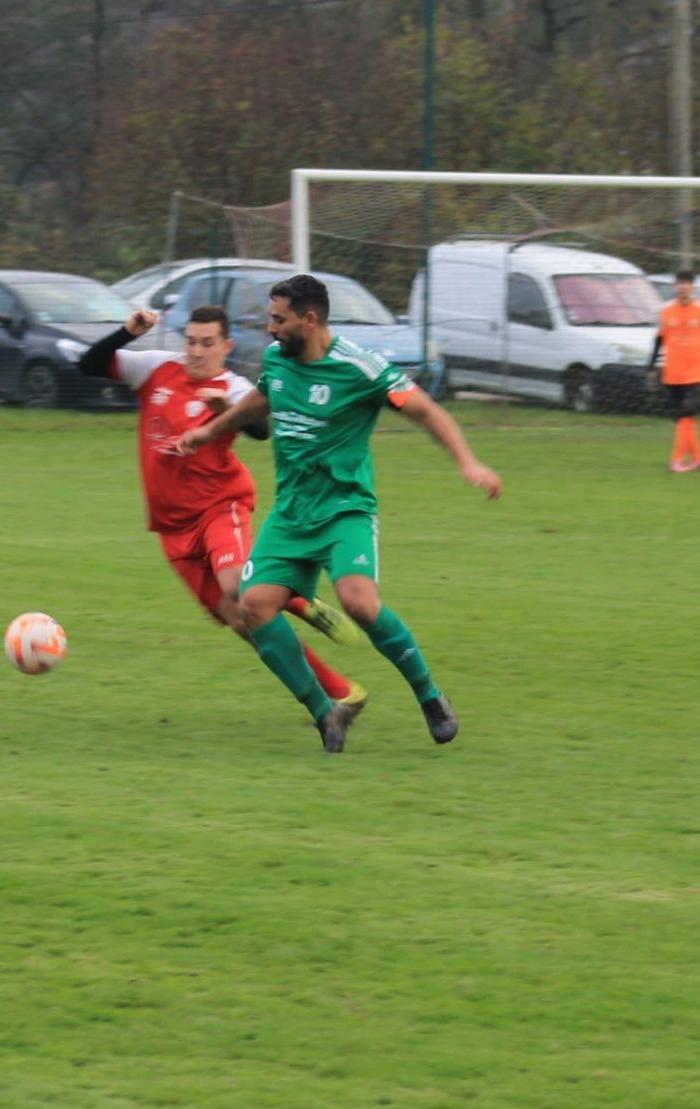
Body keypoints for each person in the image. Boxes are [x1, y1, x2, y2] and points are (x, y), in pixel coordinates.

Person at [177, 274, 502, 753]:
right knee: (253, 606)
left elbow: (426, 411)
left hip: (344, 508)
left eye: (278, 319)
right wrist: (211, 432)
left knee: (359, 603)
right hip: (290, 514)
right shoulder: (276, 360)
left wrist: (467, 461)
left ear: (310, 320)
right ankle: (325, 711)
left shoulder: (359, 367)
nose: (269, 328)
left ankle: (430, 696)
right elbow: (261, 400)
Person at [75, 303, 368, 711]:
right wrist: (128, 331)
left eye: (207, 343)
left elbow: (261, 430)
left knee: (238, 588)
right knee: (242, 622)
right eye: (191, 341)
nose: (196, 351)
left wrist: (225, 413)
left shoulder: (231, 386)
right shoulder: (157, 368)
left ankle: (299, 604)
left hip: (219, 506)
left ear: (226, 346)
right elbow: (88, 365)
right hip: (171, 527)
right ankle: (338, 687)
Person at [649, 269, 700, 472]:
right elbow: (659, 338)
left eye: (687, 283)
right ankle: (698, 457)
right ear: (675, 287)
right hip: (674, 370)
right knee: (682, 418)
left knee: (686, 409)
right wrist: (652, 364)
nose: (683, 287)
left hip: (697, 369)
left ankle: (677, 459)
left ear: (693, 287)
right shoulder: (666, 311)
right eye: (680, 283)